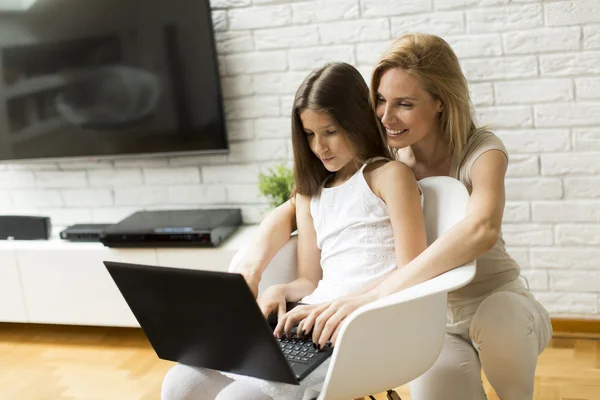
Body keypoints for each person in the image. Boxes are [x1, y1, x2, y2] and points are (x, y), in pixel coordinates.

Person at [236, 33, 553, 400]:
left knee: (501, 320)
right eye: (381, 101)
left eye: (403, 104)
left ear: (440, 102)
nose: (386, 117)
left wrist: (372, 297)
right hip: (436, 321)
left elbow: (480, 229)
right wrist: (252, 269)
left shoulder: (481, 150)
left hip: (497, 303)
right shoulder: (389, 160)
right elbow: (294, 207)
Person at [161, 62, 428, 400]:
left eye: (330, 131)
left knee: (238, 397)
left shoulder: (389, 177)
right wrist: (282, 290)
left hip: (364, 326)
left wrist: (347, 304)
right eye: (310, 135)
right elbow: (309, 280)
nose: (320, 147)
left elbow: (413, 272)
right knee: (180, 381)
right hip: (311, 324)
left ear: (356, 120)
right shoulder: (311, 193)